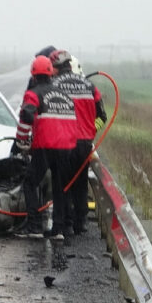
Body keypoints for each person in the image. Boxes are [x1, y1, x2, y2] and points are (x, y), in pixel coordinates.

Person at [14, 55, 77, 240]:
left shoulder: (33, 93)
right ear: (50, 72)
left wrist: (21, 141)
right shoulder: (65, 96)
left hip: (45, 146)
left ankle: (34, 225)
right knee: (60, 187)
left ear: (33, 74)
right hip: (67, 147)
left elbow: (26, 116)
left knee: (30, 182)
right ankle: (59, 228)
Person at [50, 49, 106, 235]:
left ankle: (65, 223)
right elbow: (102, 116)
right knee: (80, 182)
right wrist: (91, 130)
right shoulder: (89, 86)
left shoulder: (53, 85)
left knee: (62, 183)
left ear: (56, 67)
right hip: (84, 144)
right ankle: (80, 222)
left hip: (64, 142)